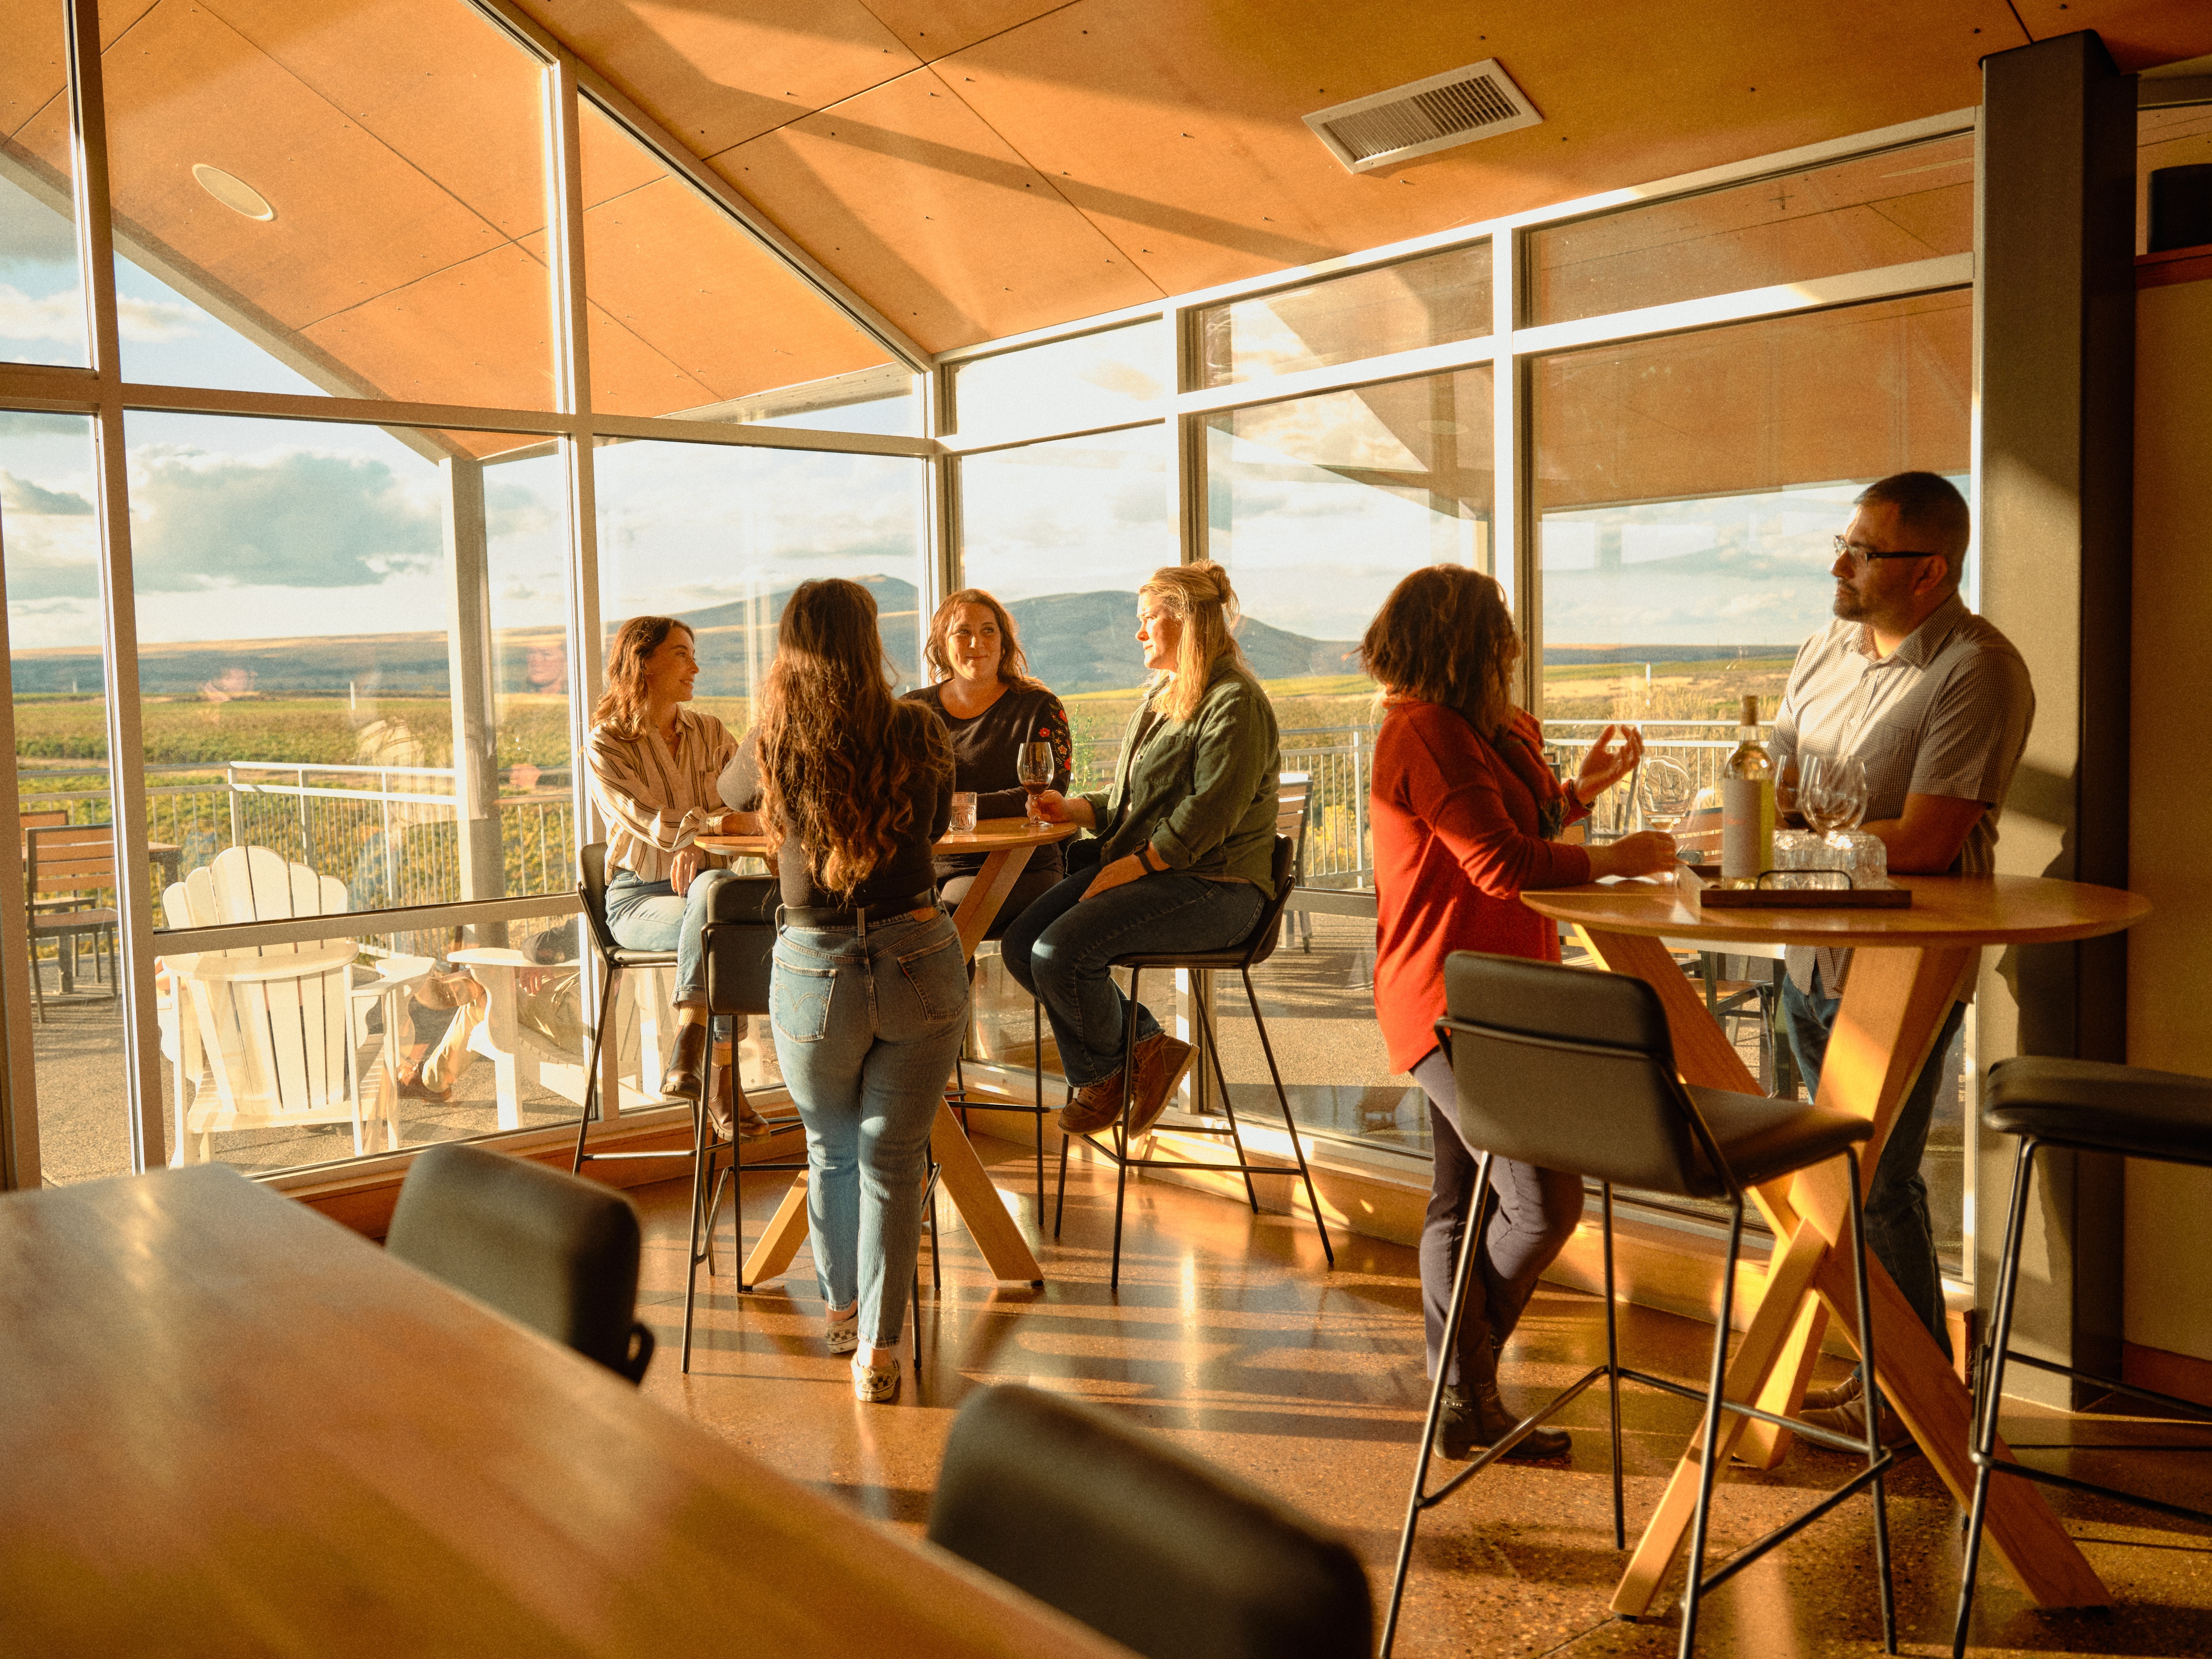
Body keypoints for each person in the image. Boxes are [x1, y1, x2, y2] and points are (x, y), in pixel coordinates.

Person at [1364, 565, 1673, 1463]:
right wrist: (1614, 858)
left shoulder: (1481, 729)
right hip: (1453, 1000)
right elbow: (1500, 862)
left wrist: (1580, 792)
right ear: (1469, 644)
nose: (1514, 648)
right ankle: (1463, 1386)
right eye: (1502, 634)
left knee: (1463, 1201)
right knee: (1540, 1200)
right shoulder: (1428, 734)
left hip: (1497, 996)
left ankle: (1464, 1395)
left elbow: (1529, 821)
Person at [1768, 471, 2034, 1446]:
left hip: (1901, 965)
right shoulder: (1823, 649)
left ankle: (1915, 1396)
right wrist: (1797, 826)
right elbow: (1776, 784)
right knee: (1846, 1181)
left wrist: (1802, 828)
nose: (1840, 564)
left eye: (1863, 551)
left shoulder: (1976, 669)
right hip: (1803, 952)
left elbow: (1923, 841)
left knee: (1879, 1184)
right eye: (1843, 543)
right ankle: (1899, 1380)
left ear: (1928, 572)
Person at [722, 578, 964, 1404]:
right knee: (894, 1162)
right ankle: (880, 1352)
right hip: (918, 956)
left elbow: (726, 796)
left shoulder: (773, 742)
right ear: (871, 642)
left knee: (831, 1148)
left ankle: (841, 1311)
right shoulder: (916, 727)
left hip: (815, 968)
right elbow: (933, 828)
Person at [1004, 560, 1276, 1140]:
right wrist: (1074, 809)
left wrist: (1128, 869)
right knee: (1022, 946)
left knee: (1059, 954)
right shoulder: (1165, 695)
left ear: (1189, 622)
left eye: (1148, 618)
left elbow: (1205, 818)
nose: (1138, 632)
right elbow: (1137, 799)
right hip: (1154, 874)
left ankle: (1104, 1076)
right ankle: (1147, 1047)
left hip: (1217, 888)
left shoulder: (1235, 702)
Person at [583, 615, 763, 1136]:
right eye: (682, 654)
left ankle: (691, 1036)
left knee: (713, 895)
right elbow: (652, 824)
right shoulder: (605, 744)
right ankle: (725, 1083)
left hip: (707, 891)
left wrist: (701, 841)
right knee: (721, 918)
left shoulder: (710, 732)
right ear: (644, 661)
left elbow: (761, 806)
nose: (695, 666)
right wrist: (708, 832)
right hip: (638, 898)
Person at [902, 588, 1074, 935]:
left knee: (940, 923)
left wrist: (952, 807)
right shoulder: (911, 712)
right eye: (962, 631)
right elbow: (897, 793)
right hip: (924, 865)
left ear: (1004, 642)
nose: (975, 642)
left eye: (988, 630)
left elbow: (1044, 795)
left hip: (1018, 864)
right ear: (942, 643)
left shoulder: (1038, 706)